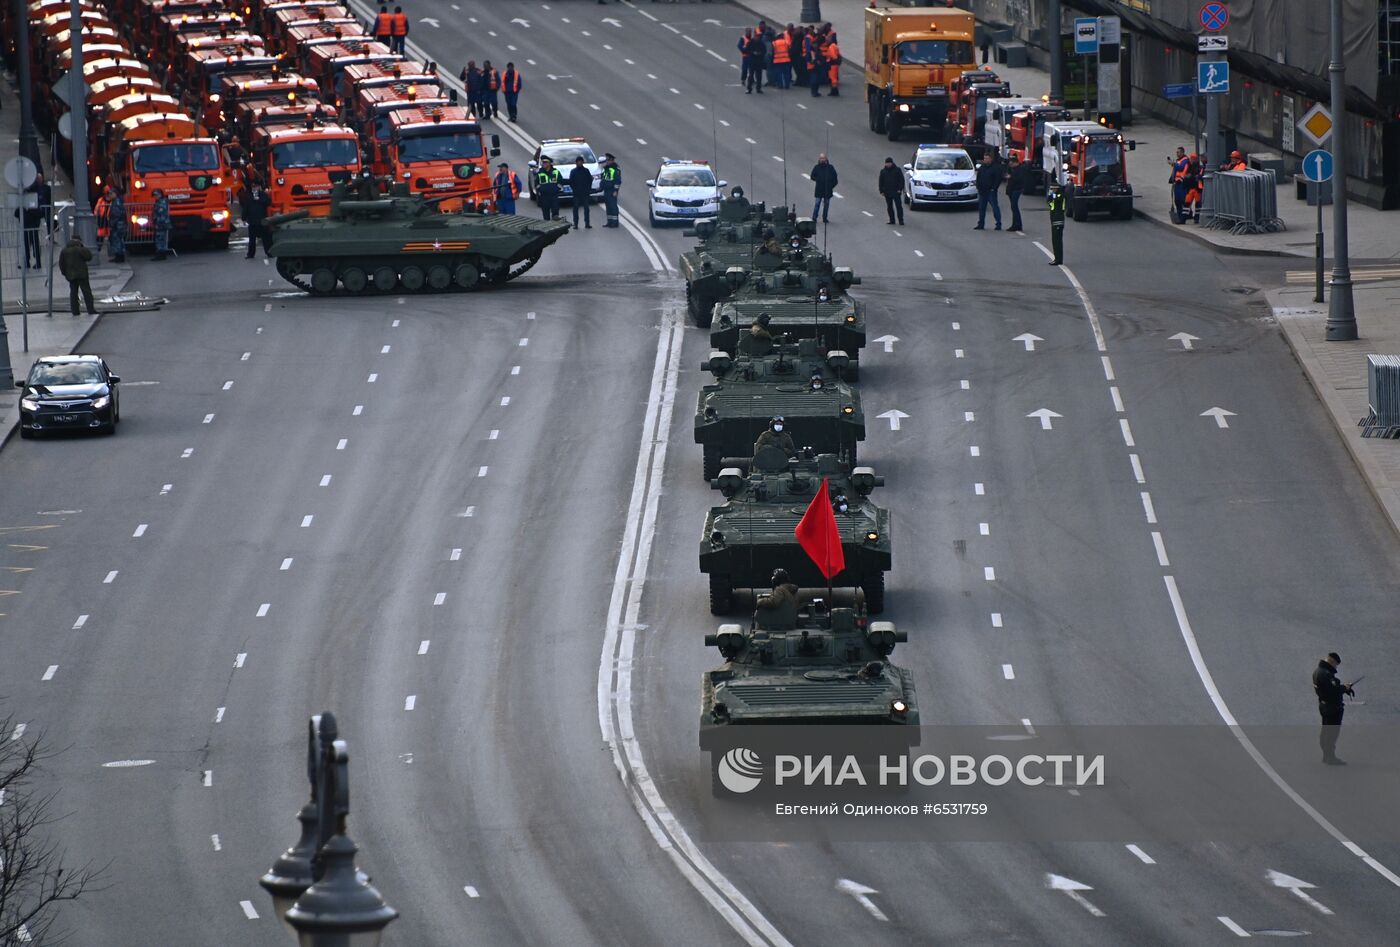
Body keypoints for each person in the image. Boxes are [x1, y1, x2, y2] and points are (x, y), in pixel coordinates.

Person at [1313, 652, 1355, 765]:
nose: (1336, 667)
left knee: (1326, 731)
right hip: (1332, 708)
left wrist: (1342, 688)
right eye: (1336, 664)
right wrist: (1344, 688)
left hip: (1324, 705)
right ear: (1332, 662)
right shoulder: (1326, 674)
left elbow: (1332, 687)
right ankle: (1330, 757)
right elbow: (1333, 689)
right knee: (1331, 733)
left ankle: (1326, 756)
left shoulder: (1318, 671)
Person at [58, 237, 97, 317]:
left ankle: (75, 311)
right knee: (86, 292)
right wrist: (83, 247)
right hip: (82, 274)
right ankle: (90, 309)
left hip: (71, 275)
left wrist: (65, 273)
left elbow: (61, 264)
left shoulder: (64, 251)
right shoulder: (80, 249)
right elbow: (89, 257)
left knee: (73, 293)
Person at [973, 151, 1003, 230]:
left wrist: (994, 188)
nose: (985, 160)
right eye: (984, 158)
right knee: (982, 208)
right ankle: (981, 224)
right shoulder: (982, 167)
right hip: (982, 191)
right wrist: (978, 187)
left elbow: (998, 179)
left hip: (991, 191)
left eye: (987, 158)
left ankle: (998, 224)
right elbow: (978, 178)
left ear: (991, 159)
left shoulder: (995, 168)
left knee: (994, 207)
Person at [244, 182, 271, 258]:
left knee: (266, 239)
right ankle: (250, 254)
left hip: (262, 221)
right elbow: (246, 207)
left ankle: (269, 252)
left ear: (259, 187)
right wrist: (244, 217)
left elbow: (268, 202)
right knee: (252, 240)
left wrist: (260, 200)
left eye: (255, 187)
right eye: (253, 187)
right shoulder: (249, 196)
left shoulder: (263, 195)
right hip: (252, 221)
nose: (254, 188)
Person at [810, 153, 837, 223]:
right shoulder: (817, 167)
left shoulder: (830, 168)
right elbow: (812, 176)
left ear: (826, 159)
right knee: (817, 204)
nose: (822, 159)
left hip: (827, 190)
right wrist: (818, 179)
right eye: (821, 158)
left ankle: (824, 218)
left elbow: (835, 179)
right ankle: (814, 217)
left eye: (823, 158)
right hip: (819, 189)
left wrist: (830, 186)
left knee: (826, 205)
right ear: (819, 159)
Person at [1005, 153, 1029, 231]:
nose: (1010, 164)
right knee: (1013, 207)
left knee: (1014, 206)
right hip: (1011, 189)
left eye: (1011, 163)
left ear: (1016, 163)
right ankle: (1016, 224)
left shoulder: (1020, 169)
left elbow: (1019, 179)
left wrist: (1011, 177)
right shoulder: (1010, 168)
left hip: (1017, 189)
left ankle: (1017, 224)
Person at [568, 156, 593, 229]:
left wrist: (588, 189)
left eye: (581, 161)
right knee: (575, 209)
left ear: (583, 162)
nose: (579, 163)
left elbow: (589, 180)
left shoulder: (586, 171)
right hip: (576, 194)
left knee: (587, 209)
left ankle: (587, 223)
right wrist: (574, 190)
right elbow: (571, 182)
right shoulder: (573, 171)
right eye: (578, 161)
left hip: (585, 193)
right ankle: (576, 224)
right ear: (576, 163)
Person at [877, 156, 904, 225]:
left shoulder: (897, 170)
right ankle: (892, 220)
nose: (888, 164)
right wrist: (881, 191)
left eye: (889, 163)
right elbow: (881, 182)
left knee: (898, 206)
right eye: (887, 163)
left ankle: (901, 220)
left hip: (896, 191)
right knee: (889, 207)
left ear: (892, 163)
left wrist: (900, 189)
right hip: (887, 192)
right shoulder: (883, 171)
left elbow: (901, 180)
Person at [535, 157, 561, 221]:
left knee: (555, 212)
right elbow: (536, 184)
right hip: (544, 196)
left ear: (549, 163)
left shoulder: (556, 172)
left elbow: (560, 181)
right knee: (546, 215)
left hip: (554, 195)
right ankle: (547, 228)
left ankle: (556, 227)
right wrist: (541, 189)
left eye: (545, 163)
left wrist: (557, 189)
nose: (544, 164)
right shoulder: (540, 173)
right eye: (543, 163)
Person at [1046, 184, 1066, 265]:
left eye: (1053, 189)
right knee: (1055, 240)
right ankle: (1057, 258)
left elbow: (1056, 198)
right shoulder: (1055, 195)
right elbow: (1049, 201)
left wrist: (1051, 194)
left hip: (1058, 220)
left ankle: (1058, 259)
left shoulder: (1059, 196)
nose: (1052, 190)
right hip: (1055, 220)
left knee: (1057, 241)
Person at [1170, 147, 1190, 222]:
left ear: (1182, 152)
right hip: (1177, 183)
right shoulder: (1179, 160)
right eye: (1176, 152)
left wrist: (1174, 164)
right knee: (1177, 201)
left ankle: (1183, 218)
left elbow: (1181, 168)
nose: (1177, 154)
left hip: (1182, 183)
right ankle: (1181, 216)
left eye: (1178, 152)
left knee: (1182, 200)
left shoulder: (1185, 160)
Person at [600, 153, 621, 228]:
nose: (607, 162)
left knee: (613, 206)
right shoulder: (606, 168)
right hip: (606, 190)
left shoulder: (615, 169)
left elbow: (617, 181)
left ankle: (615, 222)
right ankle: (609, 222)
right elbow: (604, 178)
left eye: (608, 160)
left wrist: (616, 190)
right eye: (606, 160)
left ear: (612, 160)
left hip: (612, 191)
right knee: (608, 206)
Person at [108, 187, 127, 263]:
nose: (110, 195)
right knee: (119, 240)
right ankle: (120, 256)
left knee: (117, 240)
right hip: (120, 224)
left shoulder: (116, 202)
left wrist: (112, 224)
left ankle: (119, 256)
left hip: (118, 225)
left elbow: (116, 215)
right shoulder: (117, 201)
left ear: (115, 194)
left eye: (111, 194)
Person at [152, 188, 172, 260]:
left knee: (160, 238)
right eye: (154, 195)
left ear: (160, 195)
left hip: (161, 223)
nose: (155, 196)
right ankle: (161, 254)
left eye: (156, 195)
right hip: (162, 222)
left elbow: (162, 214)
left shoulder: (161, 202)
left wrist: (158, 223)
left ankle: (160, 254)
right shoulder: (160, 201)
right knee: (161, 238)